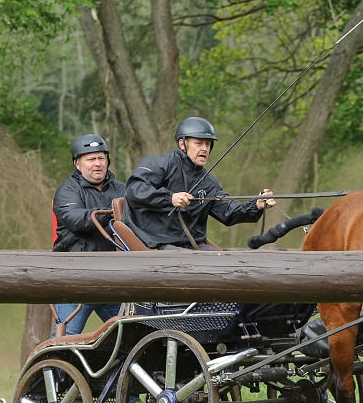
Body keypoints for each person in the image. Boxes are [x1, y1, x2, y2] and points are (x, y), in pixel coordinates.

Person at [122, 116, 275, 250]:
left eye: (208, 144)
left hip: (192, 245)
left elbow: (229, 212)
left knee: (224, 261)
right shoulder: (158, 164)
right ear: (182, 144)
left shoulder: (209, 182)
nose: (204, 149)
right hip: (156, 242)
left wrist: (257, 205)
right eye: (199, 143)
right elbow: (135, 191)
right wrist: (170, 198)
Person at [51, 134, 125, 336]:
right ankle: (53, 368)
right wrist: (113, 213)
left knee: (134, 336)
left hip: (114, 282)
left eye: (101, 158)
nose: (98, 164)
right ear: (77, 164)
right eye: (91, 159)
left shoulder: (122, 189)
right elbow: (77, 220)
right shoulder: (67, 191)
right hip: (76, 282)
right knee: (64, 342)